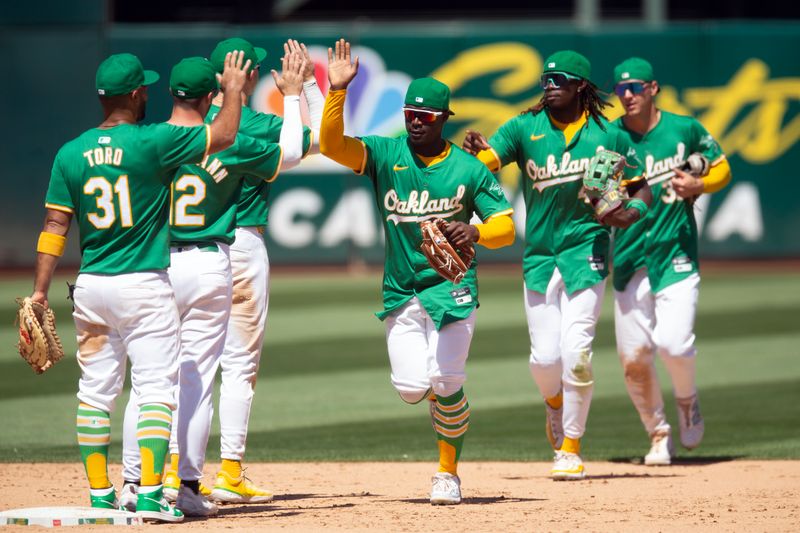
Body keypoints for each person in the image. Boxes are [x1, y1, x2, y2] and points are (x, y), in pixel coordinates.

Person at [29, 50, 250, 522]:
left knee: (95, 393)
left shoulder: (70, 152)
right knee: (153, 390)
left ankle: (100, 496)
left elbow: (54, 225)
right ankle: (149, 495)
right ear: (134, 94)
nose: (148, 92)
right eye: (144, 87)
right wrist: (232, 90)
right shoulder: (153, 141)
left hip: (88, 286)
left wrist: (40, 291)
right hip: (143, 284)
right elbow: (225, 134)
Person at [320, 39, 515, 504]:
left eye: (426, 116)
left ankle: (447, 472)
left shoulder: (469, 169)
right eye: (410, 113)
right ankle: (445, 404)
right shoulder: (386, 154)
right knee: (412, 389)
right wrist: (337, 91)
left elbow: (506, 226)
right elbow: (331, 145)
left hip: (453, 288)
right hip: (401, 290)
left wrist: (478, 232)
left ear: (444, 119)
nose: (416, 121)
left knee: (446, 382)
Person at [118, 50, 308, 517]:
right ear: (213, 94)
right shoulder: (232, 141)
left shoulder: (148, 141)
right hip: (207, 263)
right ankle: (186, 488)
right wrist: (291, 95)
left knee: (144, 381)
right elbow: (292, 153)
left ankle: (131, 483)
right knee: (197, 380)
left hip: (155, 263)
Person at [462, 50, 649, 480]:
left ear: (581, 85)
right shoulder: (525, 127)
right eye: (544, 80)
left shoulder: (610, 135)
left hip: (588, 247)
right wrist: (476, 155)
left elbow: (641, 190)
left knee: (577, 353)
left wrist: (629, 214)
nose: (548, 86)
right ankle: (554, 403)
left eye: (558, 79)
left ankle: (570, 446)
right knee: (544, 360)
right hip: (541, 254)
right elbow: (485, 162)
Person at [609, 57, 732, 465]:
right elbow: (594, 187)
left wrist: (700, 183)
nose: (628, 94)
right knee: (634, 359)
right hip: (628, 257)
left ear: (653, 88)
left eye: (636, 87)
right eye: (621, 89)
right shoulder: (610, 138)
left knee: (674, 345)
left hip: (675, 250)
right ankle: (658, 433)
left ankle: (687, 401)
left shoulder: (684, 129)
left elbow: (722, 168)